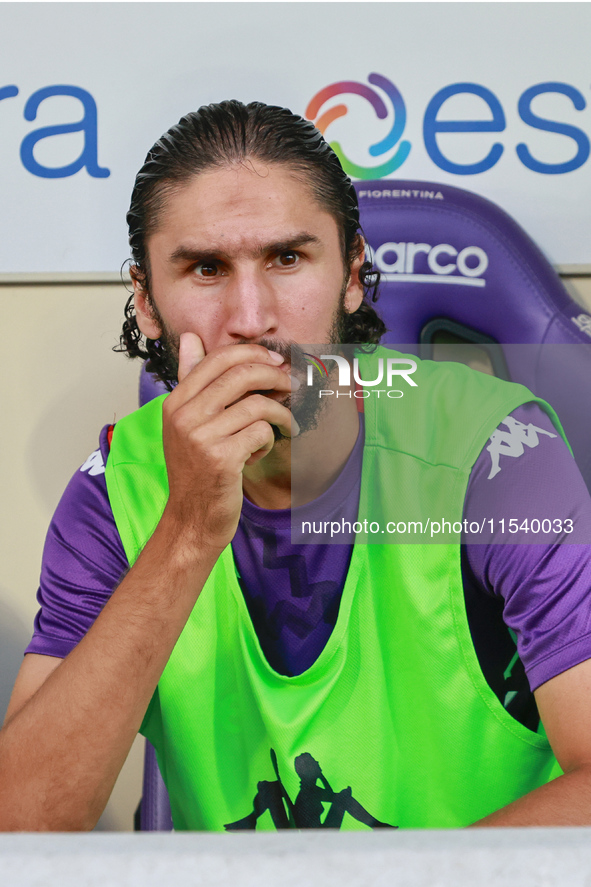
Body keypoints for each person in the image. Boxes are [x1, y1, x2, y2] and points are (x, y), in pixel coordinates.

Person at [2, 100, 591, 831]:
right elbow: (20, 828)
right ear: (147, 304)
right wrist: (185, 532)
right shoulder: (116, 489)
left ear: (351, 273)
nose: (252, 316)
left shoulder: (495, 454)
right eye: (206, 268)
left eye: (287, 258)